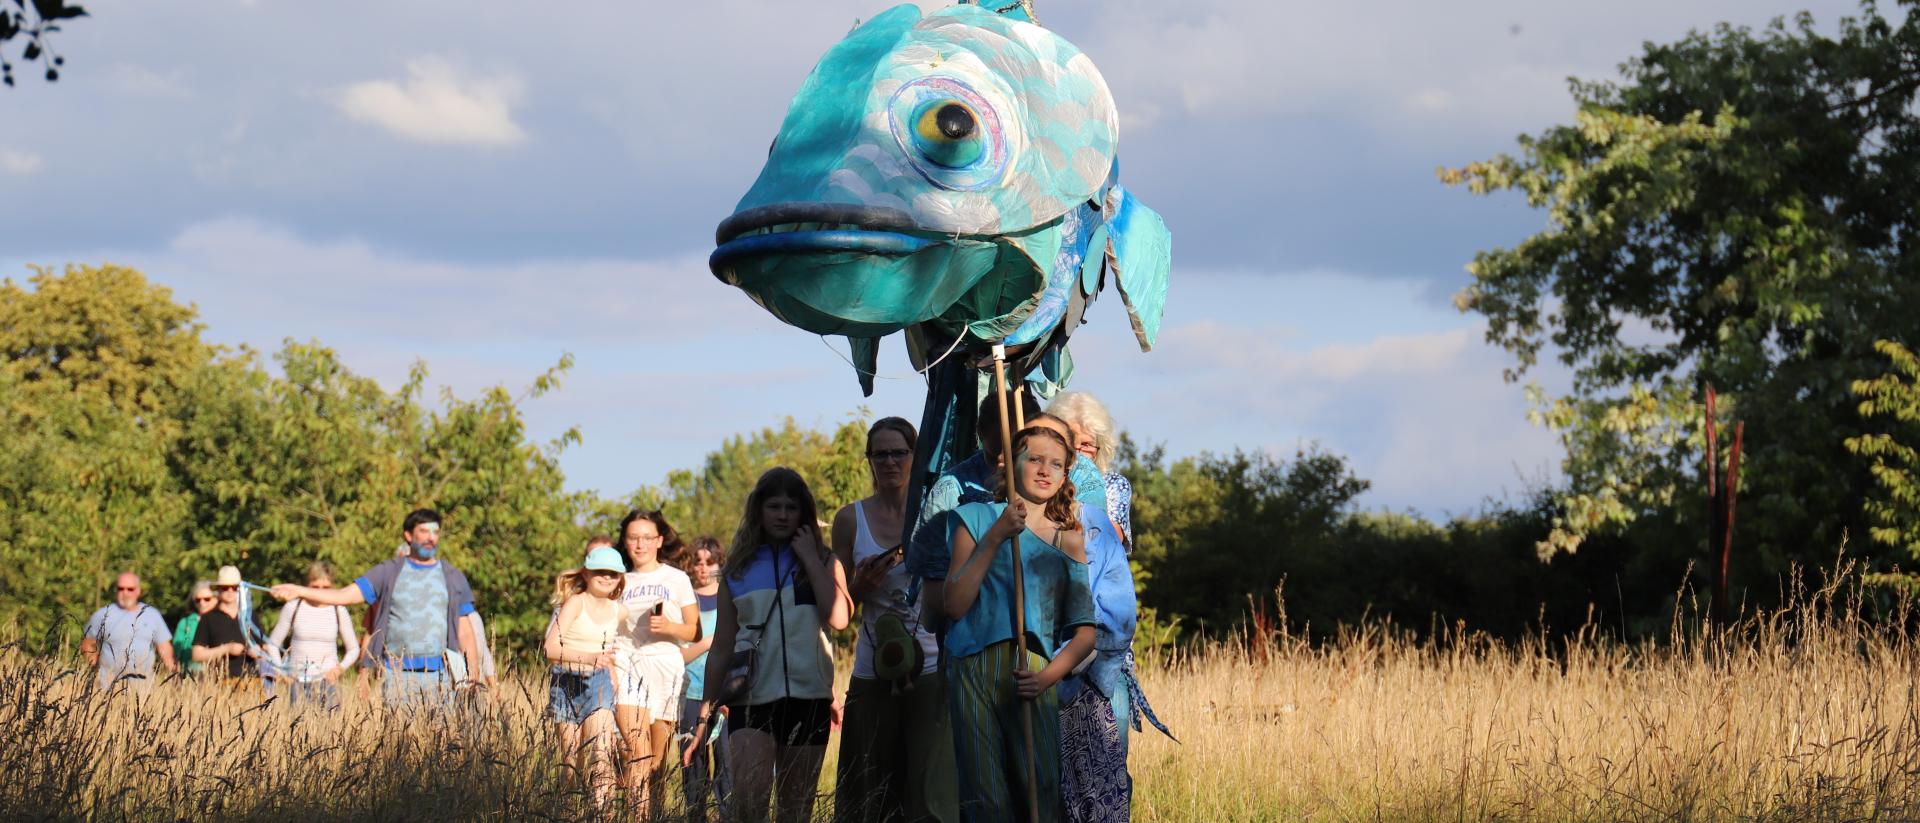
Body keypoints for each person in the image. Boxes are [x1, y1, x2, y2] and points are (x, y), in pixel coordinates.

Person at [943, 426, 1096, 822]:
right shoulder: (973, 519)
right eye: (1035, 459)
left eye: (1056, 464)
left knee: (1039, 787)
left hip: (1034, 673)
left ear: (1065, 477)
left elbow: (1085, 634)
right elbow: (955, 604)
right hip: (973, 668)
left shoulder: (1069, 540)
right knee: (985, 796)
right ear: (1009, 464)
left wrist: (1048, 679)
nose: (1046, 470)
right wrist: (996, 536)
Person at [689, 468, 851, 823]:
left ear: (803, 512)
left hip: (809, 699)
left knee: (795, 811)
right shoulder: (738, 569)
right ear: (758, 511)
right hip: (751, 700)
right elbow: (721, 648)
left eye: (791, 507)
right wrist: (704, 717)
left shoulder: (825, 561)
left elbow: (839, 618)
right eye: (774, 506)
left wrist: (809, 556)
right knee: (749, 805)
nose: (782, 515)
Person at [834, 417, 958, 823]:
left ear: (915, 456)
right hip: (873, 665)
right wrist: (859, 586)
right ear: (869, 460)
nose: (889, 462)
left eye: (899, 452)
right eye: (880, 454)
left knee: (927, 787)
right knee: (866, 784)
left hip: (931, 661)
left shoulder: (935, 514)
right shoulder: (850, 520)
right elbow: (839, 606)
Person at [269, 508, 485, 706]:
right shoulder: (388, 572)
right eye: (424, 531)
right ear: (408, 536)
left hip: (441, 676)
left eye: (435, 532)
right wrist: (299, 590)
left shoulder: (452, 577)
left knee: (440, 745)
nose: (430, 537)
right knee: (399, 744)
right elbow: (345, 595)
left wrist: (473, 676)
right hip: (398, 676)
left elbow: (465, 629)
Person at [907, 391, 1041, 637]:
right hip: (969, 649)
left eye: (1015, 449)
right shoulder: (950, 491)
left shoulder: (1055, 485)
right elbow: (935, 606)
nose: (1003, 460)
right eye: (996, 450)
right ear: (979, 431)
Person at [611, 509, 699, 814]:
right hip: (628, 666)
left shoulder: (676, 579)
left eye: (647, 538)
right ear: (625, 541)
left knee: (657, 765)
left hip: (666, 669)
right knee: (638, 755)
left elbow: (695, 629)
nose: (640, 544)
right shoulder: (618, 580)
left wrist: (670, 628)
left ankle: (655, 814)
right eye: (633, 538)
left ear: (659, 540)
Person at [545, 545, 628, 808]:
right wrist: (590, 657)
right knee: (571, 768)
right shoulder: (575, 603)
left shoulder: (619, 610)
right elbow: (550, 648)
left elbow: (638, 634)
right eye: (600, 571)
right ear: (586, 574)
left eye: (613, 574)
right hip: (566, 682)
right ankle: (569, 813)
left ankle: (604, 814)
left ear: (620, 579)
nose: (606, 577)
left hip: (599, 684)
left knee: (601, 758)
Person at [679, 536, 732, 814]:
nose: (702, 568)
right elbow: (677, 655)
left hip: (724, 694)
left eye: (709, 562)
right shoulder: (684, 601)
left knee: (728, 766)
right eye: (698, 562)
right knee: (693, 768)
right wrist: (704, 643)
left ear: (719, 563)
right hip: (689, 692)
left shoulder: (730, 596)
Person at [268, 561, 360, 710]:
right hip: (297, 682)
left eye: (326, 587)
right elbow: (272, 644)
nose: (320, 591)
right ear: (307, 586)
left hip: (329, 683)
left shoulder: (339, 610)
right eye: (315, 587)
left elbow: (354, 648)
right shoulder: (293, 607)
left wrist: (340, 669)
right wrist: (283, 672)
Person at [1048, 391, 1133, 544]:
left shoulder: (1114, 484)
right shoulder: (1042, 480)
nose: (1077, 453)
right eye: (1069, 443)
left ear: (1101, 445)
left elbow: (1110, 538)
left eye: (1086, 445)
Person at [82, 571, 176, 694]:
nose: (125, 593)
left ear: (138, 591)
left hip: (143, 690)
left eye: (130, 589)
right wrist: (96, 664)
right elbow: (87, 644)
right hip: (107, 689)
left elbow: (165, 649)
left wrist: (174, 676)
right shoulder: (102, 615)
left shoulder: (152, 615)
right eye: (121, 589)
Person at [194, 565, 264, 683]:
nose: (230, 591)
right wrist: (226, 649)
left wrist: (257, 651)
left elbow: (265, 647)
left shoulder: (251, 615)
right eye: (226, 587)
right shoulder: (208, 618)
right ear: (218, 589)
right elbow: (197, 655)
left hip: (252, 682)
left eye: (235, 587)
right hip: (220, 683)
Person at [172, 580, 215, 676]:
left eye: (207, 599)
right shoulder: (185, 623)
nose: (202, 603)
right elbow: (176, 653)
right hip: (189, 675)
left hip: (217, 675)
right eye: (198, 600)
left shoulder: (224, 621)